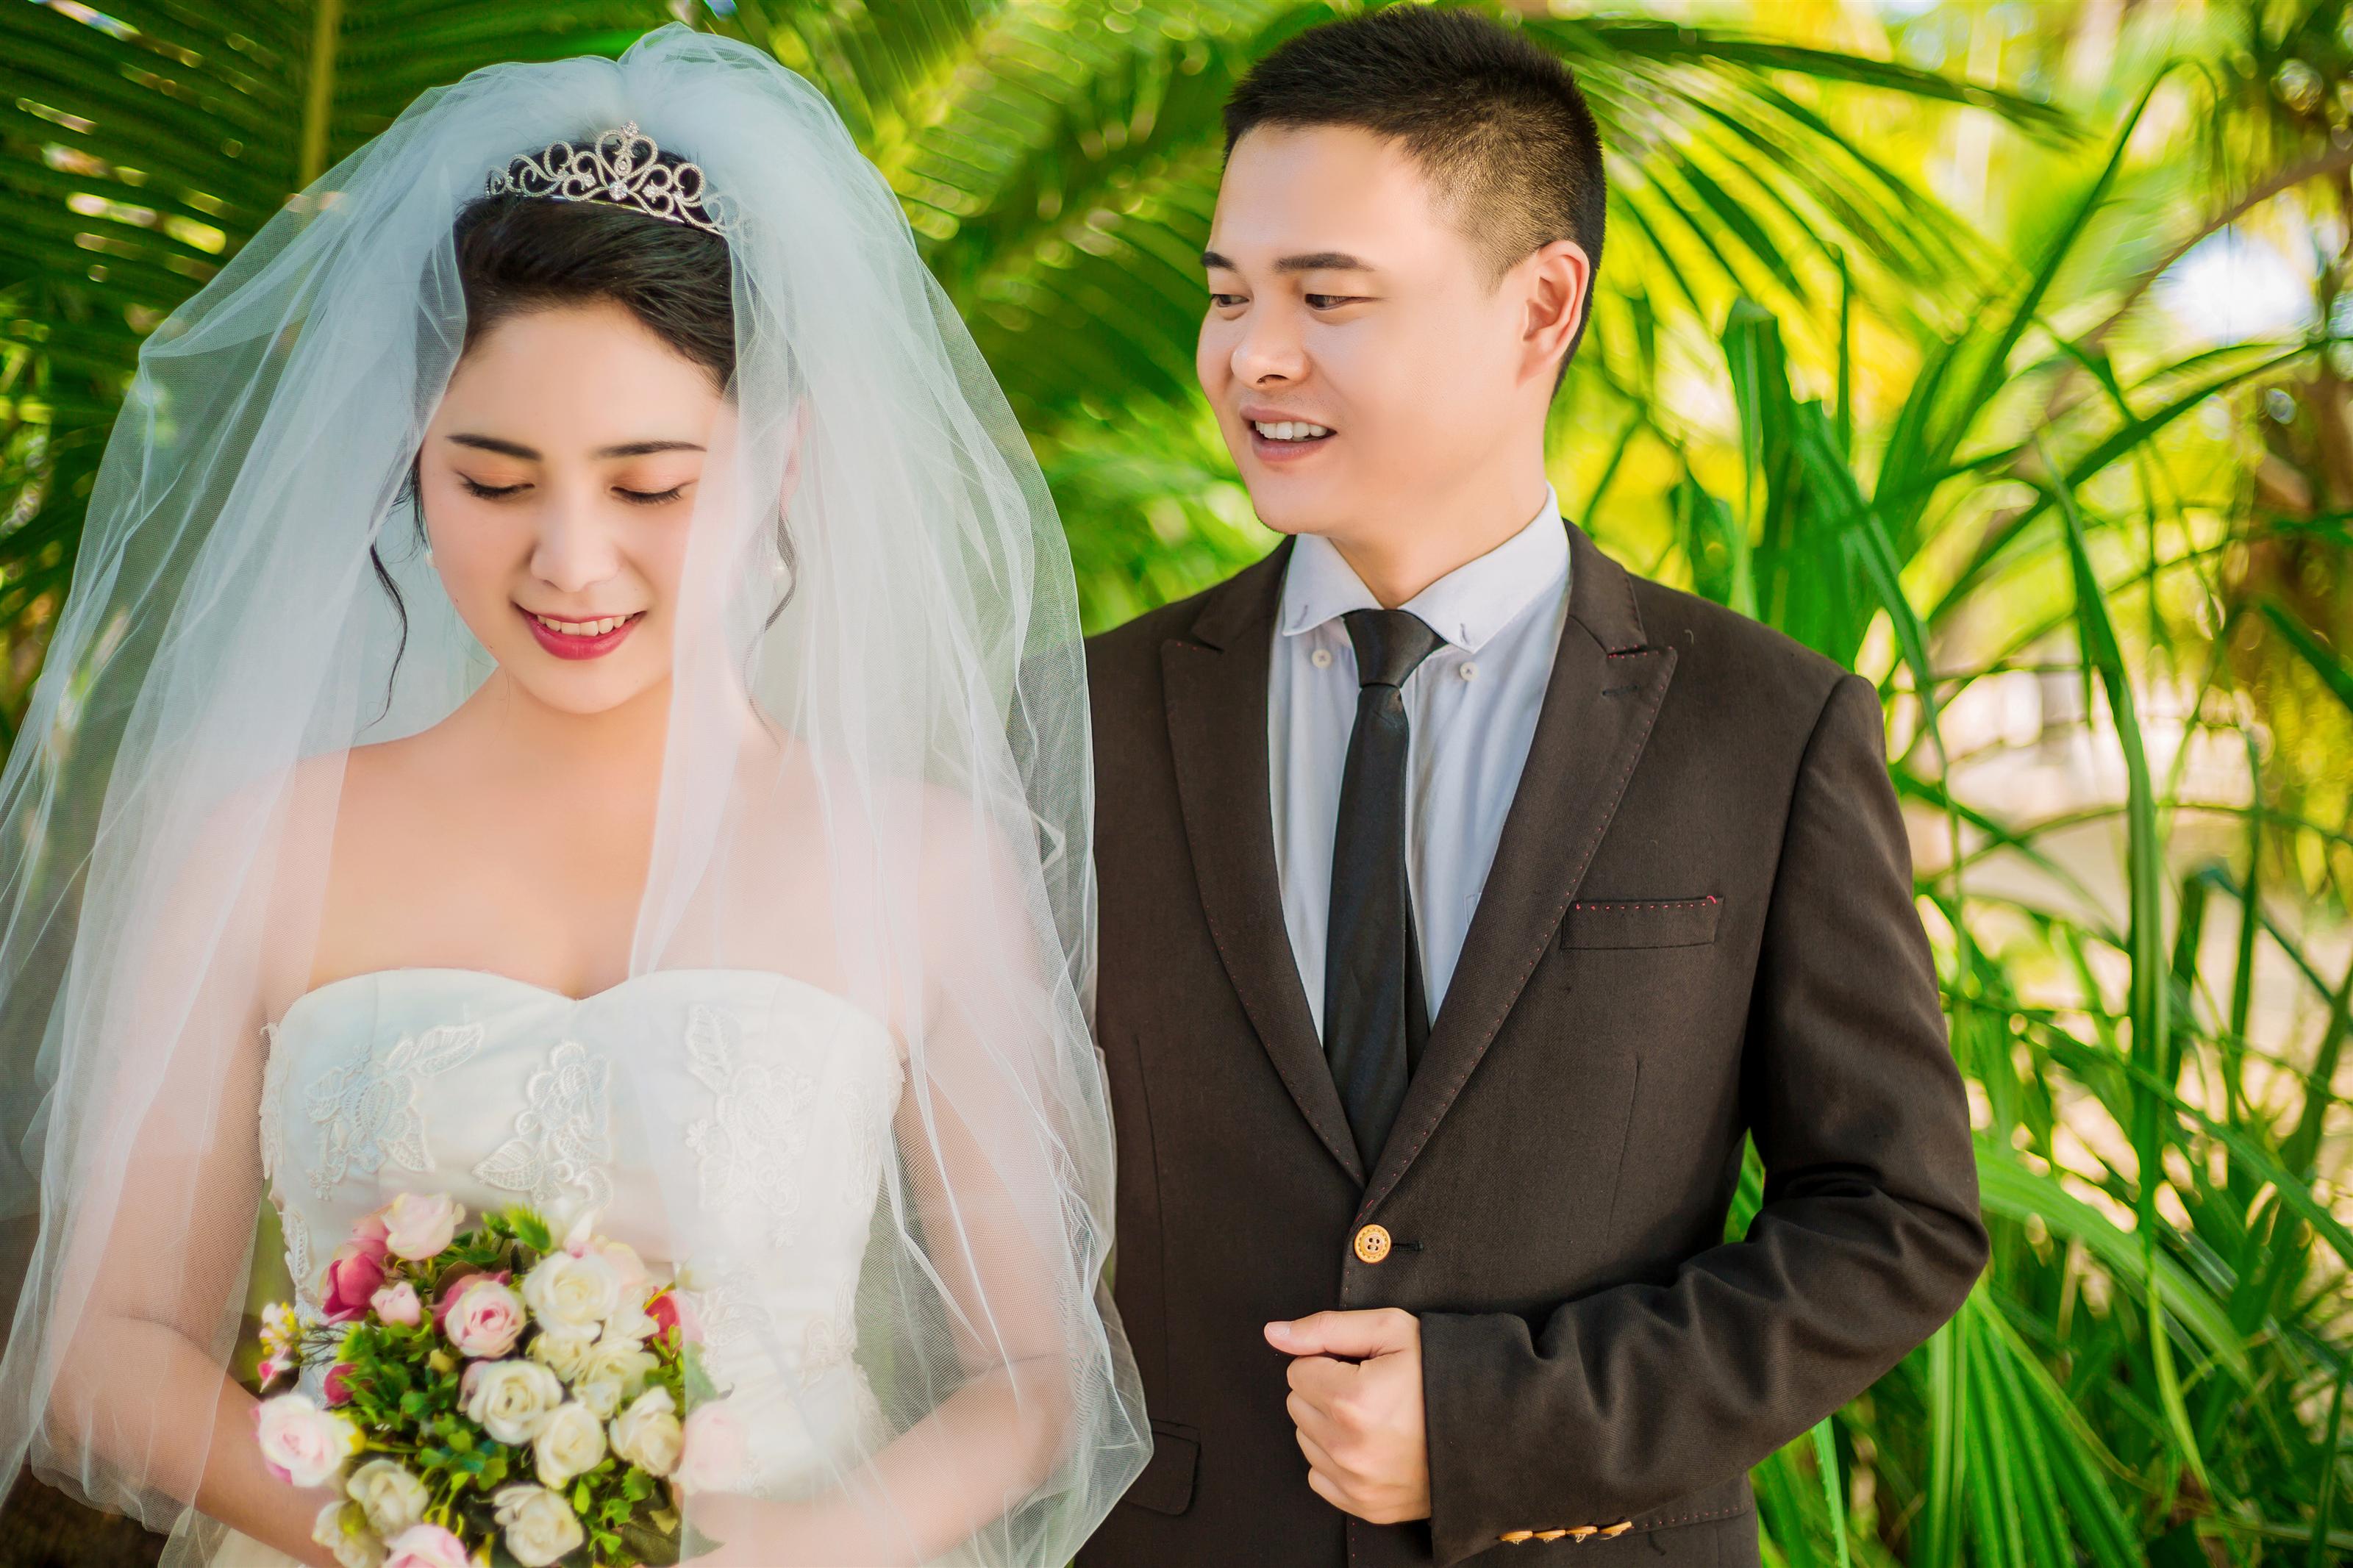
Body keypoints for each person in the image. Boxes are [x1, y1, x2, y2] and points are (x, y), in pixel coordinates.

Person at [0, 25, 1144, 1567]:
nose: (571, 559)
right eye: (492, 479)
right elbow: (110, 1340)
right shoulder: (259, 843)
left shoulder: (926, 867)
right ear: (411, 459)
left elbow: (1035, 1378)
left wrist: (786, 1546)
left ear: (784, 459)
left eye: (651, 484)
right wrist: (408, 1530)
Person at [1081, 11, 1987, 1566]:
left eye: (1326, 296)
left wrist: (1508, 1424)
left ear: (1540, 307)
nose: (1251, 356)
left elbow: (1894, 1214)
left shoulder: (1764, 727)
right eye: (1229, 294)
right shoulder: (1080, 716)